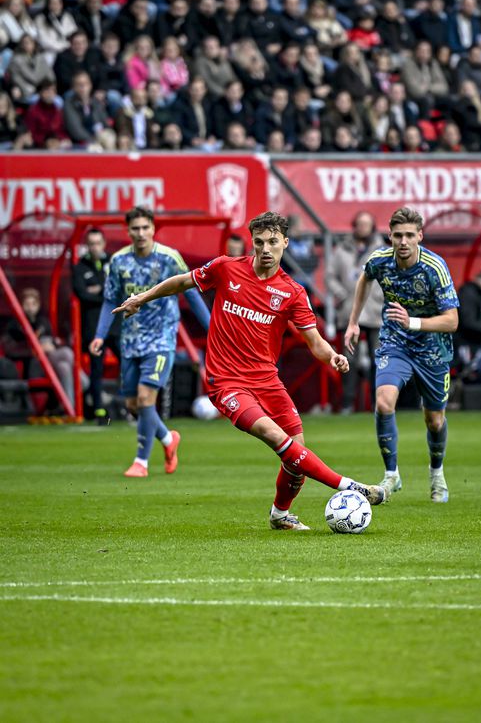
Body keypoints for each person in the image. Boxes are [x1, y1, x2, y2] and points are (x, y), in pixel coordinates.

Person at [113, 211, 385, 529]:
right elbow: (183, 281)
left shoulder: (292, 292)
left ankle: (280, 514)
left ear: (285, 242)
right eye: (259, 242)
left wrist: (332, 356)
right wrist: (142, 298)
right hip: (225, 381)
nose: (266, 249)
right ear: (252, 243)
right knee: (274, 435)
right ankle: (350, 486)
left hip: (267, 380)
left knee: (296, 453)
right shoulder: (226, 268)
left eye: (273, 242)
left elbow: (314, 340)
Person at [344, 207, 460, 503]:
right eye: (398, 235)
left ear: (420, 236)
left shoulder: (435, 267)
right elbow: (364, 279)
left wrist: (414, 322)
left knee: (434, 420)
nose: (404, 241)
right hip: (395, 342)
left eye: (410, 235)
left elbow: (452, 320)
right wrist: (353, 322)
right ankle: (392, 475)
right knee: (383, 402)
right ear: (390, 237)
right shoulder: (379, 261)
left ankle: (436, 474)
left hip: (433, 350)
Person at [90, 206, 211, 477]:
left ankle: (140, 462)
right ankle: (168, 439)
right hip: (130, 341)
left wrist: (212, 328)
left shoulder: (169, 258)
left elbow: (191, 293)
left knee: (146, 399)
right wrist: (100, 334)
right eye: (136, 228)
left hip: (161, 339)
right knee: (133, 405)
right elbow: (110, 298)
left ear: (153, 229)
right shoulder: (119, 261)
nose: (141, 233)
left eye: (145, 227)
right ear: (128, 231)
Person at [327, 212, 384, 413]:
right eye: (360, 224)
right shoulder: (341, 249)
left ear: (373, 227)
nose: (363, 228)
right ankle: (348, 403)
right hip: (349, 311)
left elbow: (389, 275)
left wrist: (380, 296)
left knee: (378, 358)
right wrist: (341, 295)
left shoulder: (381, 248)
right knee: (348, 360)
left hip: (375, 311)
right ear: (354, 226)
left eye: (367, 224)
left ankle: (379, 403)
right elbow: (330, 276)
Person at [72, 228, 121, 422]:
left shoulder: (113, 262)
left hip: (115, 325)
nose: (94, 247)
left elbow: (118, 290)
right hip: (93, 329)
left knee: (129, 363)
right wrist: (104, 291)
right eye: (91, 243)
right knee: (96, 369)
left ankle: (126, 402)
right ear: (87, 245)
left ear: (104, 243)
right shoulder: (80, 267)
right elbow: (82, 294)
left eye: (97, 243)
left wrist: (97, 290)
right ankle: (99, 410)